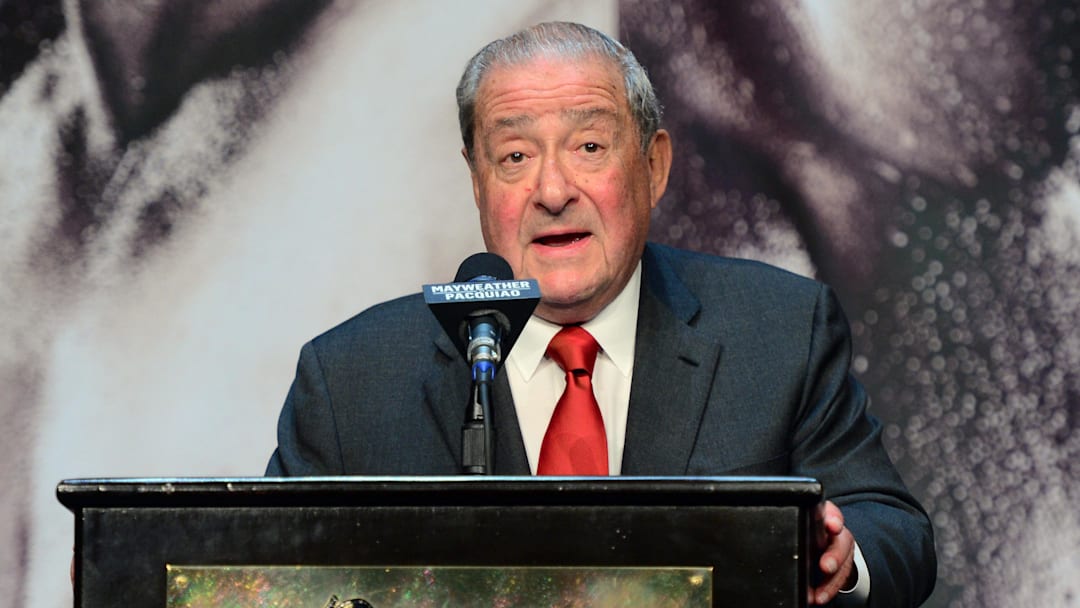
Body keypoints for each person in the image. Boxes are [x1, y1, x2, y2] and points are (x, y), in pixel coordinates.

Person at [266, 22, 936, 606]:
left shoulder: (778, 330)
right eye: (515, 157)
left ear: (653, 166)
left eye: (589, 147)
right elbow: (263, 577)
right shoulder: (350, 379)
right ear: (477, 182)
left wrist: (842, 564)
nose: (553, 191)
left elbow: (892, 527)